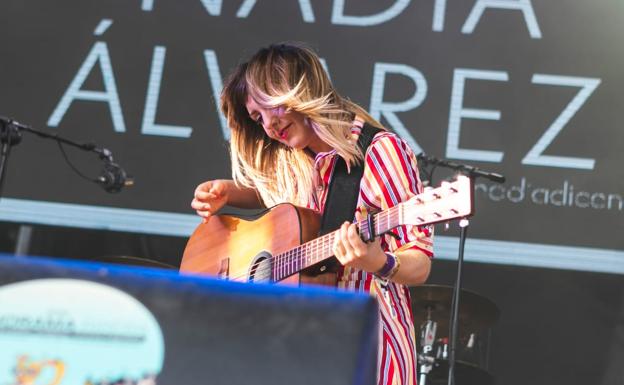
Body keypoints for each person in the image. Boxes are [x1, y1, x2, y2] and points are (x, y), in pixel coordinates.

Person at [191, 42, 433, 385]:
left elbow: (420, 262)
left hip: (369, 350)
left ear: (298, 89)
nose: (269, 126)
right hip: (299, 348)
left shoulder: (380, 152)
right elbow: (287, 205)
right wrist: (231, 192)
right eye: (258, 118)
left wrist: (380, 262)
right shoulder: (295, 160)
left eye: (270, 108)